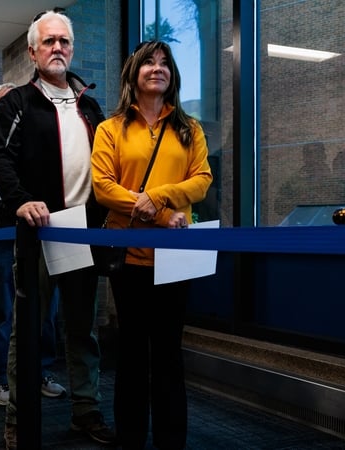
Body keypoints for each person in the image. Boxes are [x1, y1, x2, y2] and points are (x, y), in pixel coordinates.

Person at [0, 10, 115, 448]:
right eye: (48, 42)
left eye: (63, 41)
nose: (57, 48)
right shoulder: (16, 103)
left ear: (72, 48)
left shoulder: (90, 105)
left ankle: (86, 411)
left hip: (84, 233)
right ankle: (19, 423)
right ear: (32, 51)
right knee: (29, 331)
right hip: (39, 235)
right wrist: (21, 200)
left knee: (83, 330)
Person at [90, 40, 213, 449]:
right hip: (129, 255)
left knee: (168, 356)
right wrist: (160, 213)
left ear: (172, 76)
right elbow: (103, 188)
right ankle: (129, 439)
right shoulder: (111, 129)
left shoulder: (189, 128)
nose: (157, 69)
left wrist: (160, 197)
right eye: (149, 63)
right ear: (133, 73)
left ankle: (170, 441)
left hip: (178, 255)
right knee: (131, 354)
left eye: (165, 64)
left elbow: (202, 179)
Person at [0, 82, 66, 407]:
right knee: (3, 311)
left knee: (47, 310)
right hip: (2, 234)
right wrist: (24, 203)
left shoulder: (36, 136)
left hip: (41, 233)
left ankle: (41, 373)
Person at [273, 141, 334, 220]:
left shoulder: (334, 179)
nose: (313, 157)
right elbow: (278, 206)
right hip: (300, 226)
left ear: (324, 156)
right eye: (309, 154)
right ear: (304, 157)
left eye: (317, 153)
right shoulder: (293, 181)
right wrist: (299, 202)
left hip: (328, 225)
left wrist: (322, 200)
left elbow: (344, 203)